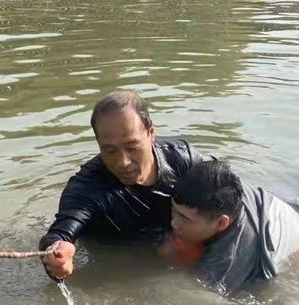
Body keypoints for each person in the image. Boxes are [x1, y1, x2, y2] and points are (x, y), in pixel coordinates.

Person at [40, 91, 211, 279]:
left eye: (132, 147)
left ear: (151, 133)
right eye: (110, 150)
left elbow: (229, 195)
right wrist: (58, 254)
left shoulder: (183, 160)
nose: (123, 162)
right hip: (121, 265)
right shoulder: (87, 187)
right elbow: (59, 234)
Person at [167, 159, 299, 296]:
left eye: (184, 219)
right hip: (292, 213)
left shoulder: (228, 259)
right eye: (174, 211)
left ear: (221, 223)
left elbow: (196, 296)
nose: (174, 223)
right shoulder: (221, 191)